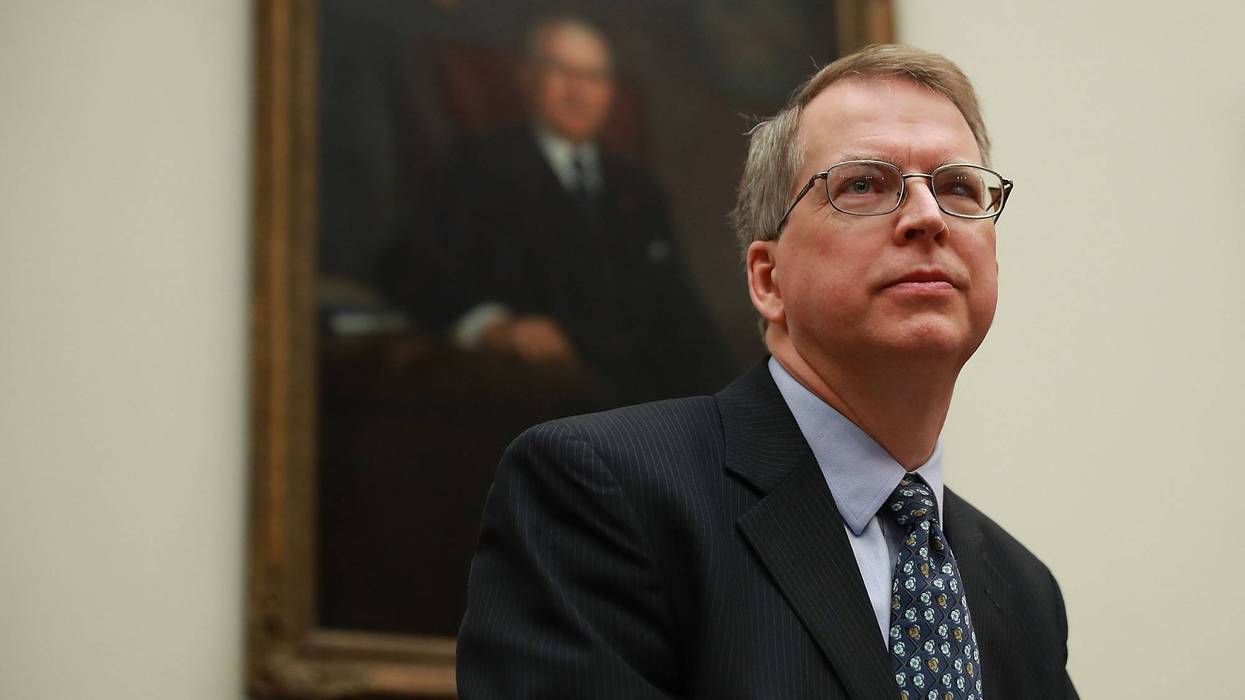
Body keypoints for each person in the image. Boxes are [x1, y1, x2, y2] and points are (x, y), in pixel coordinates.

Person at [456, 44, 1077, 699]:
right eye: (863, 184)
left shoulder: (1023, 591)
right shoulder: (604, 491)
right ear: (767, 278)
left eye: (956, 187)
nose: (926, 216)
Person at [380, 16, 733, 405]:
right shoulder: (476, 166)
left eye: (594, 77)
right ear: (528, 77)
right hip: (534, 398)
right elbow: (409, 267)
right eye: (562, 72)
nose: (579, 92)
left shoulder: (637, 188)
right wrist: (494, 325)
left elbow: (681, 311)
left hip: (642, 397)